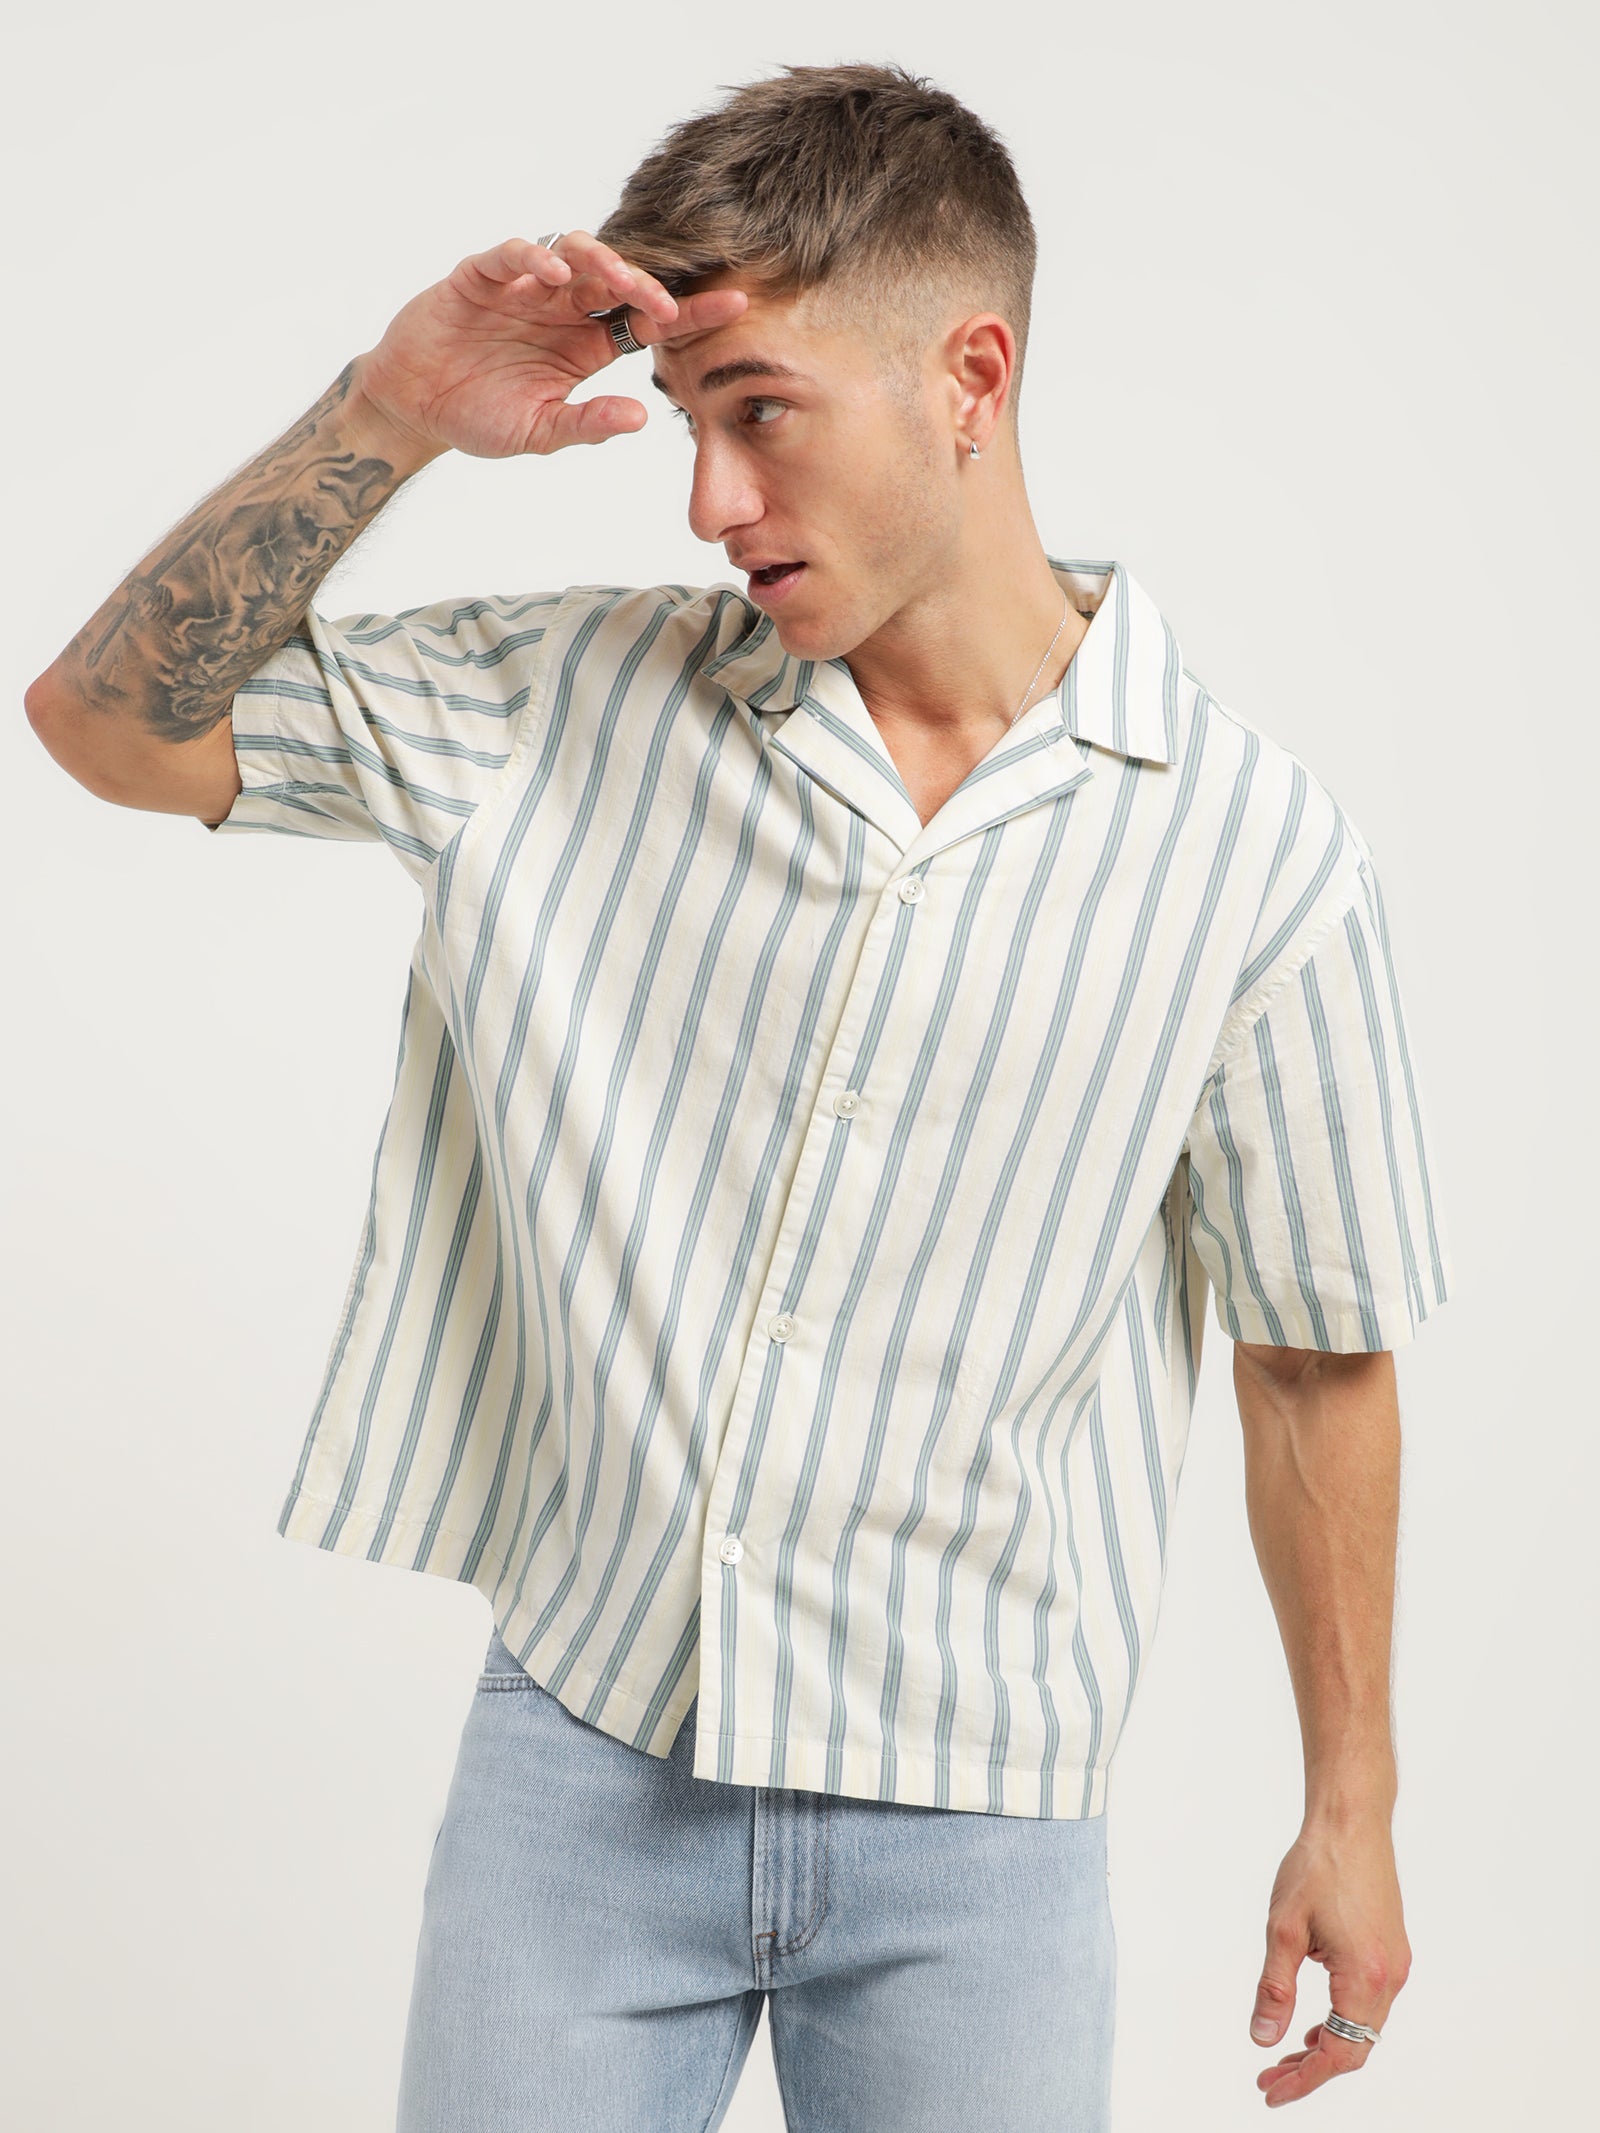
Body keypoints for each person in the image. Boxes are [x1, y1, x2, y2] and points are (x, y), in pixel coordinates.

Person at [25, 60, 1452, 2133]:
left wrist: (1353, 1803)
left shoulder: (1254, 854)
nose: (706, 500)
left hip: (979, 1831)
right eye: (686, 422)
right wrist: (393, 407)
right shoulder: (560, 702)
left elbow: (1314, 1356)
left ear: (969, 378)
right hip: (581, 1767)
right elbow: (106, 724)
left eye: (759, 412)